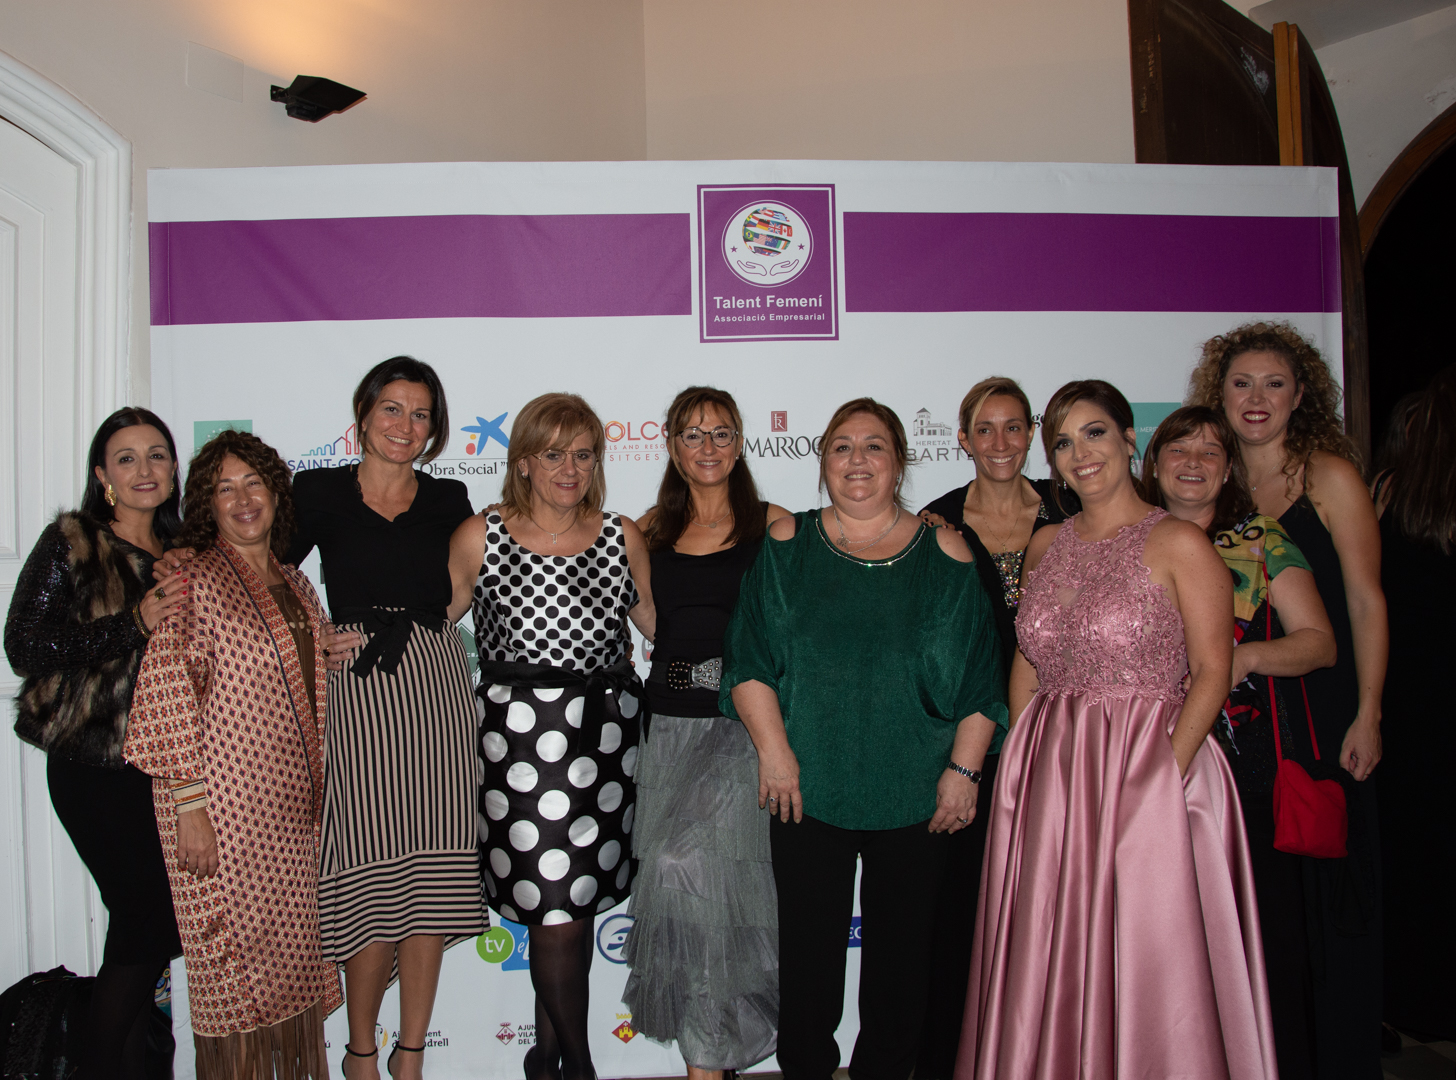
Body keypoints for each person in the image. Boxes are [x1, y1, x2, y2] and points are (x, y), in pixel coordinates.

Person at [957, 380, 1276, 1080]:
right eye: (1063, 442)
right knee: (1050, 945)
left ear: (1131, 440)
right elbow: (1028, 660)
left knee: (1147, 949)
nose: (1080, 453)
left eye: (1095, 433)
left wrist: (1160, 778)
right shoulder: (1046, 544)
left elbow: (1212, 671)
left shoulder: (1179, 542)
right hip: (1052, 772)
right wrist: (1020, 758)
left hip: (1150, 762)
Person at [722, 398, 1007, 1080]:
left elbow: (982, 680)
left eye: (874, 446)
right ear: (823, 462)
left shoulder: (946, 552)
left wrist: (965, 773)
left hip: (918, 794)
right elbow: (749, 661)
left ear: (899, 462)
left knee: (902, 969)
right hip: (805, 788)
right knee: (807, 963)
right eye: (842, 447)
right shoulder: (787, 545)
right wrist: (775, 754)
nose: (858, 460)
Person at [1188, 322, 1388, 1078]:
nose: (1257, 398)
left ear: (1301, 395)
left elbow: (1365, 602)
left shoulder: (1328, 476)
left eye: (1274, 384)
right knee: (1263, 905)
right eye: (1241, 383)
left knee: (1329, 892)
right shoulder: (1212, 479)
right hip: (1243, 728)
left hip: (1321, 710)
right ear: (1220, 395)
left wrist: (1369, 711)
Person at [287, 356, 486, 1080]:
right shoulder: (316, 492)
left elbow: (468, 584)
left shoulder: (450, 498)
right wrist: (310, 635)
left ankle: (411, 1055)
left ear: (434, 428)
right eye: (392, 409)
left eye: (421, 414)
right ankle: (361, 1052)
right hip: (358, 689)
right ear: (364, 413)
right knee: (368, 870)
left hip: (435, 684)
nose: (405, 425)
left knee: (433, 868)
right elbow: (259, 575)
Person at [448, 392, 655, 1080]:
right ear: (524, 462)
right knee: (554, 902)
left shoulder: (621, 535)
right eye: (553, 454)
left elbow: (658, 624)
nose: (570, 468)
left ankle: (545, 1056)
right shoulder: (481, 535)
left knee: (572, 905)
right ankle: (580, 1067)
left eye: (584, 453)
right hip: (521, 750)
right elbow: (433, 622)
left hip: (606, 743)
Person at [124, 430, 342, 1078]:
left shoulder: (295, 581)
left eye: (255, 484)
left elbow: (294, 671)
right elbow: (166, 691)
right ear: (207, 505)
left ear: (277, 494)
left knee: (293, 969)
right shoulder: (192, 578)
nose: (244, 500)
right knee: (236, 974)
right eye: (226, 489)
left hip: (293, 816)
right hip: (223, 814)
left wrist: (331, 649)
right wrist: (189, 808)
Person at [1143, 404, 1337, 1079]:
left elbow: (1319, 643)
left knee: (1261, 939)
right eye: (1179, 449)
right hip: (1138, 758)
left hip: (1238, 767)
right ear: (1154, 463)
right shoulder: (1126, 538)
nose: (1193, 463)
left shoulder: (1260, 538)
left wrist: (1243, 659)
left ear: (1229, 470)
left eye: (1210, 452)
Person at [4, 408, 186, 1080]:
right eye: (126, 458)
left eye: (157, 455)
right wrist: (132, 624)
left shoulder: (187, 554)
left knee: (145, 929)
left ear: (174, 470)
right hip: (94, 766)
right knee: (149, 917)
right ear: (102, 474)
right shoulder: (74, 541)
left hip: (168, 769)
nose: (144, 469)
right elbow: (25, 646)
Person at [621, 387, 790, 1080]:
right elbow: (648, 615)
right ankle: (710, 1061)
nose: (708, 447)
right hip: (665, 731)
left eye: (721, 433)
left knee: (684, 869)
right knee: (699, 909)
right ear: (672, 446)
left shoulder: (774, 526)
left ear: (741, 442)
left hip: (740, 730)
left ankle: (709, 1063)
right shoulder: (648, 530)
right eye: (692, 434)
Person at [914, 376, 1075, 1080]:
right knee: (961, 904)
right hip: (968, 737)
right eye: (986, 428)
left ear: (1032, 433)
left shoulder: (1072, 509)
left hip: (1064, 731)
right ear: (963, 438)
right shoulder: (936, 523)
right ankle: (952, 1058)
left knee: (1053, 899)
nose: (1001, 442)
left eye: (1015, 427)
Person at [1373, 364, 1456, 1041]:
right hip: (1418, 698)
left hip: (1405, 698)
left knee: (1410, 850)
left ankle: (1408, 999)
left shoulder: (1387, 494)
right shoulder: (1390, 493)